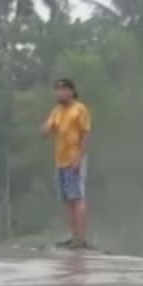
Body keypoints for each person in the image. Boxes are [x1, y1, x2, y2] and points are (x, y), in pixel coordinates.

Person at [42, 78, 92, 249]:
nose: (60, 93)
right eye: (57, 90)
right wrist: (45, 129)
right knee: (65, 199)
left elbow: (86, 134)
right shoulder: (56, 111)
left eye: (63, 89)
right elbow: (47, 129)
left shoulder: (79, 109)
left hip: (75, 158)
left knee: (76, 197)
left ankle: (81, 238)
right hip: (60, 161)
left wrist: (79, 157)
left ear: (71, 91)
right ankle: (73, 236)